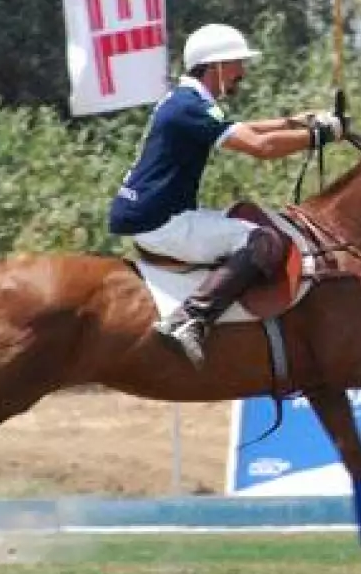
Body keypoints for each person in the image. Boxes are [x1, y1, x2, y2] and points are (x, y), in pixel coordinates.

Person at [108, 23, 345, 369]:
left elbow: (248, 128)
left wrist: (299, 121)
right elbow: (260, 147)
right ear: (216, 66)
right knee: (265, 241)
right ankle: (189, 318)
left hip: (156, 215)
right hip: (162, 223)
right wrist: (321, 135)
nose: (242, 73)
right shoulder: (189, 107)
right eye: (237, 64)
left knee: (246, 228)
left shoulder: (187, 100)